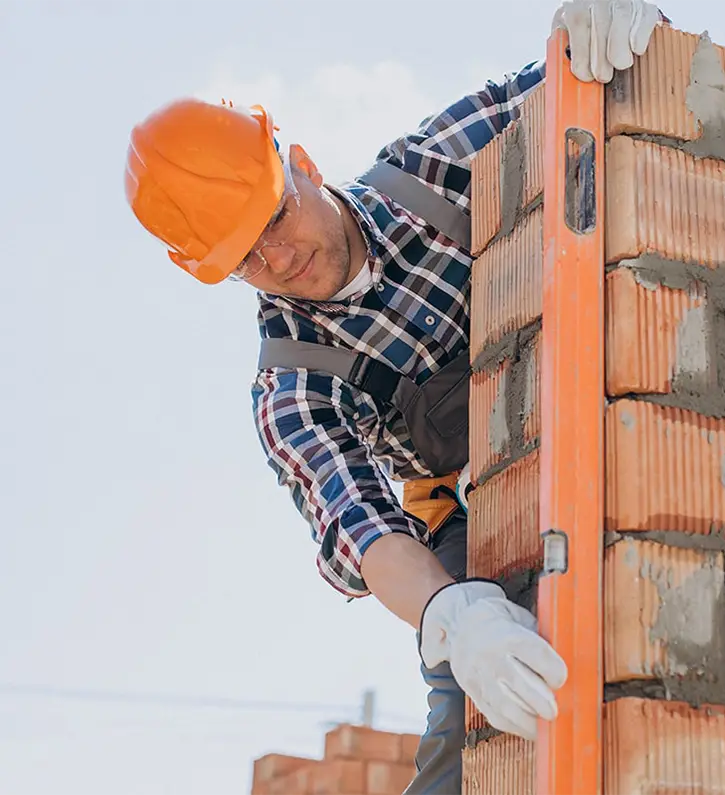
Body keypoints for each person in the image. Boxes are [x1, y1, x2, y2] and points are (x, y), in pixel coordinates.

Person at [123, 2, 664, 792]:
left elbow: (579, 72)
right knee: (466, 724)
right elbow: (364, 531)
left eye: (275, 215)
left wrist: (605, 27)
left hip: (596, 420)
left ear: (299, 161)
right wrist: (455, 616)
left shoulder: (435, 169)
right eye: (246, 256)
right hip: (467, 526)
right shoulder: (293, 385)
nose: (281, 256)